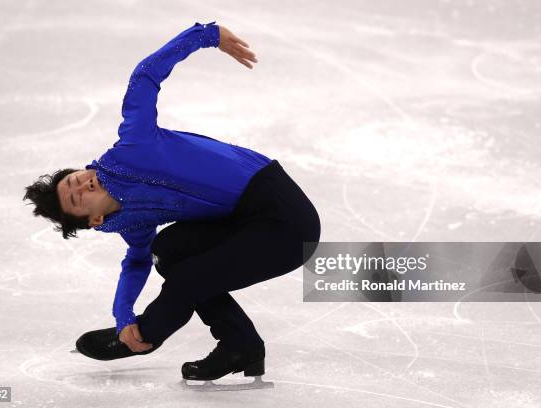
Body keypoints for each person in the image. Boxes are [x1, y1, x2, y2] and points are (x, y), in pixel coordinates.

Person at [23, 21, 321, 381]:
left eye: (77, 179)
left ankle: (145, 338)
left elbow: (144, 77)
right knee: (169, 249)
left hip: (284, 219)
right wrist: (123, 316)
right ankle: (240, 344)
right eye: (78, 198)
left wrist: (206, 36)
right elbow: (135, 264)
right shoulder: (130, 223)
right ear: (94, 221)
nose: (85, 184)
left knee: (189, 278)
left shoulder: (133, 146)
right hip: (244, 220)